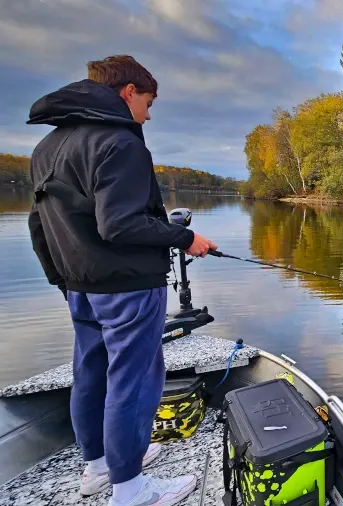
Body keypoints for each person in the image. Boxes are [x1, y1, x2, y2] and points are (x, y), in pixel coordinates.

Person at [26, 55, 217, 506]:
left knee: (90, 373)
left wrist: (61, 278)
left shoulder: (47, 147)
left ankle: (96, 469)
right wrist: (185, 237)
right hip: (127, 285)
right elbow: (120, 225)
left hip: (80, 285)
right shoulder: (120, 143)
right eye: (148, 102)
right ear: (128, 92)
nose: (149, 114)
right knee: (133, 381)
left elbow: (38, 227)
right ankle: (131, 490)